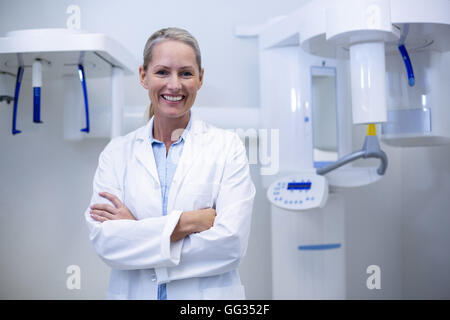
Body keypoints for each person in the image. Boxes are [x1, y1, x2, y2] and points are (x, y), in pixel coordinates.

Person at [84, 27, 256, 300]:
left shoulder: (227, 148)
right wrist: (188, 223)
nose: (174, 84)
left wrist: (137, 231)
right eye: (162, 72)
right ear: (144, 76)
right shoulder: (116, 153)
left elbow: (230, 245)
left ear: (200, 78)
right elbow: (107, 243)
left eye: (186, 73)